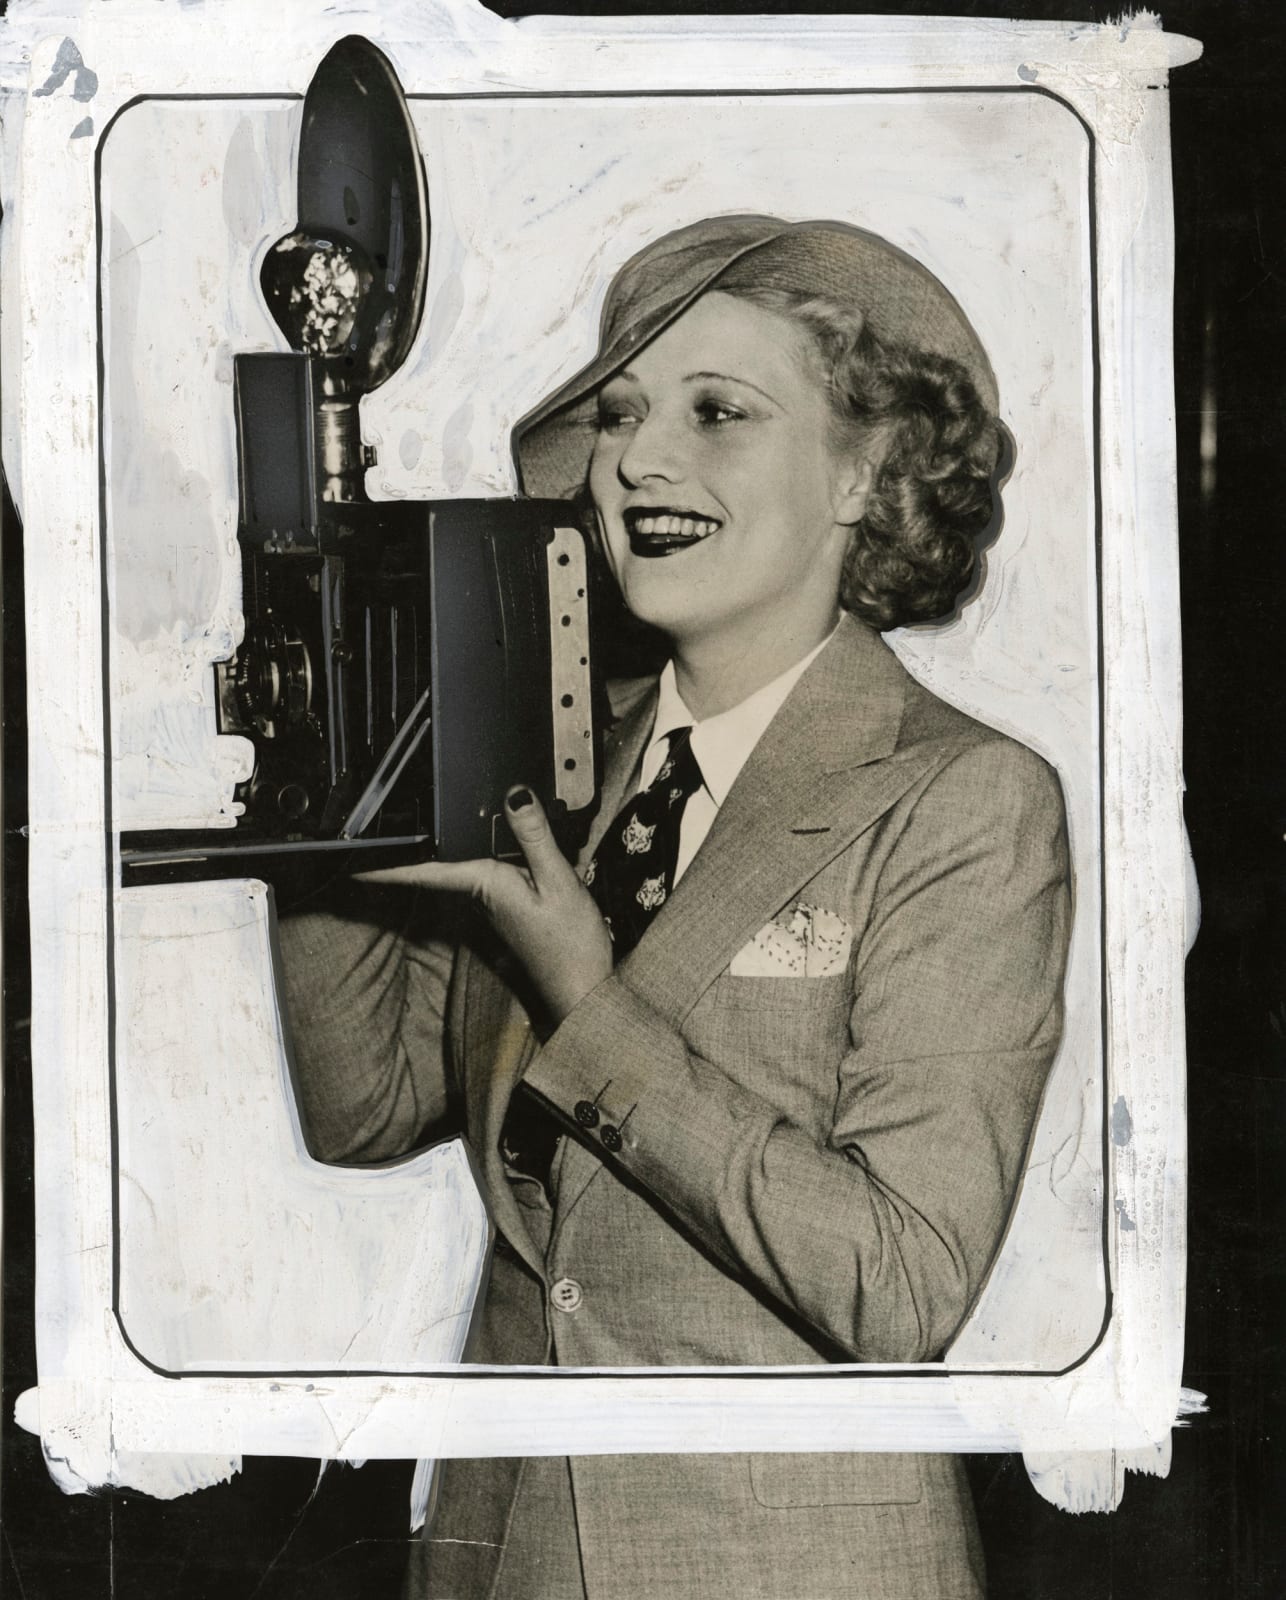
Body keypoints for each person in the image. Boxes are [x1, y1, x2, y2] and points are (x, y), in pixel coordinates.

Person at [277, 215, 1072, 1600]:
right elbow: (362, 1110)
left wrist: (592, 1002)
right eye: (623, 414)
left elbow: (900, 1288)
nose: (637, 457)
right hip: (498, 1552)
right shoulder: (541, 769)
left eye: (718, 412)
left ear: (864, 473)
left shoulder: (961, 801)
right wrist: (327, 790)